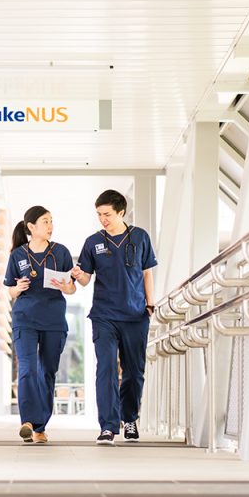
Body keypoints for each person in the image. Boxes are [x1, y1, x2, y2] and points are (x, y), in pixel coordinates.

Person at [70, 189, 157, 445]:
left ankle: (129, 419)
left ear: (121, 212)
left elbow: (146, 273)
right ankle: (108, 426)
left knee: (133, 371)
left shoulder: (140, 237)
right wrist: (78, 274)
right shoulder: (93, 242)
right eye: (99, 214)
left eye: (107, 214)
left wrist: (150, 305)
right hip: (104, 315)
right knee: (106, 368)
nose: (102, 219)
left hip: (135, 314)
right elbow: (86, 279)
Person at [3, 205, 76, 444]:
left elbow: (72, 287)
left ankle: (40, 427)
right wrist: (17, 289)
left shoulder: (61, 252)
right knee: (27, 368)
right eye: (45, 221)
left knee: (47, 372)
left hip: (53, 320)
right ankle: (28, 422)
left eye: (52, 221)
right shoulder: (18, 255)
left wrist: (68, 287)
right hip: (25, 319)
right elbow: (10, 291)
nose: (50, 226)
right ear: (31, 227)